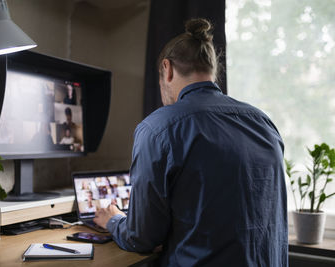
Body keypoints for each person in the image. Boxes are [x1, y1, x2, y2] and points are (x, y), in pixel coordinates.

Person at [93, 18, 288, 266]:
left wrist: (113, 219)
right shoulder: (263, 122)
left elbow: (141, 238)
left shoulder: (158, 128)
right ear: (212, 71)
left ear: (167, 69)